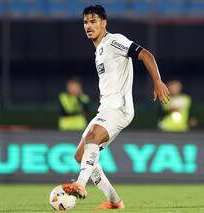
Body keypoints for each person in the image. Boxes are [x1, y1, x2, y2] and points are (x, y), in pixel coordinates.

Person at [61, 5, 170, 210]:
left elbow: (145, 54)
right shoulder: (99, 50)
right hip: (106, 107)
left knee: (92, 137)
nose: (88, 25)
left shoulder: (114, 40)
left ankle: (80, 184)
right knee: (80, 155)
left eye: (93, 21)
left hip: (119, 107)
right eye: (85, 22)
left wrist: (158, 81)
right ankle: (115, 201)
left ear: (104, 23)